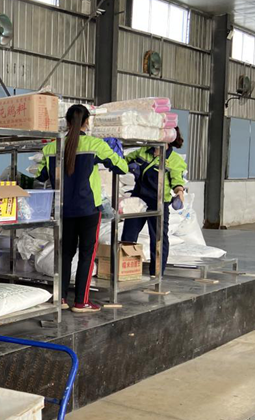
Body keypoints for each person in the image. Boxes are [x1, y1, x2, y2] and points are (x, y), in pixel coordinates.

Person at [38, 104, 129, 313]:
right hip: (88, 209)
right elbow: (121, 167)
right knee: (87, 255)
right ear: (86, 122)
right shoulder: (95, 145)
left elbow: (41, 176)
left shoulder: (51, 147)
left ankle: (61, 298)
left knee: (65, 254)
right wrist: (114, 151)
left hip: (63, 210)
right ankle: (81, 302)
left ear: (67, 122)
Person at [121, 127, 187, 276]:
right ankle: (125, 271)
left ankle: (156, 273)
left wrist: (179, 192)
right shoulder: (143, 151)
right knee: (128, 234)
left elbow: (177, 181)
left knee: (158, 238)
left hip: (158, 201)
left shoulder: (174, 160)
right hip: (138, 198)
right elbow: (124, 161)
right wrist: (126, 165)